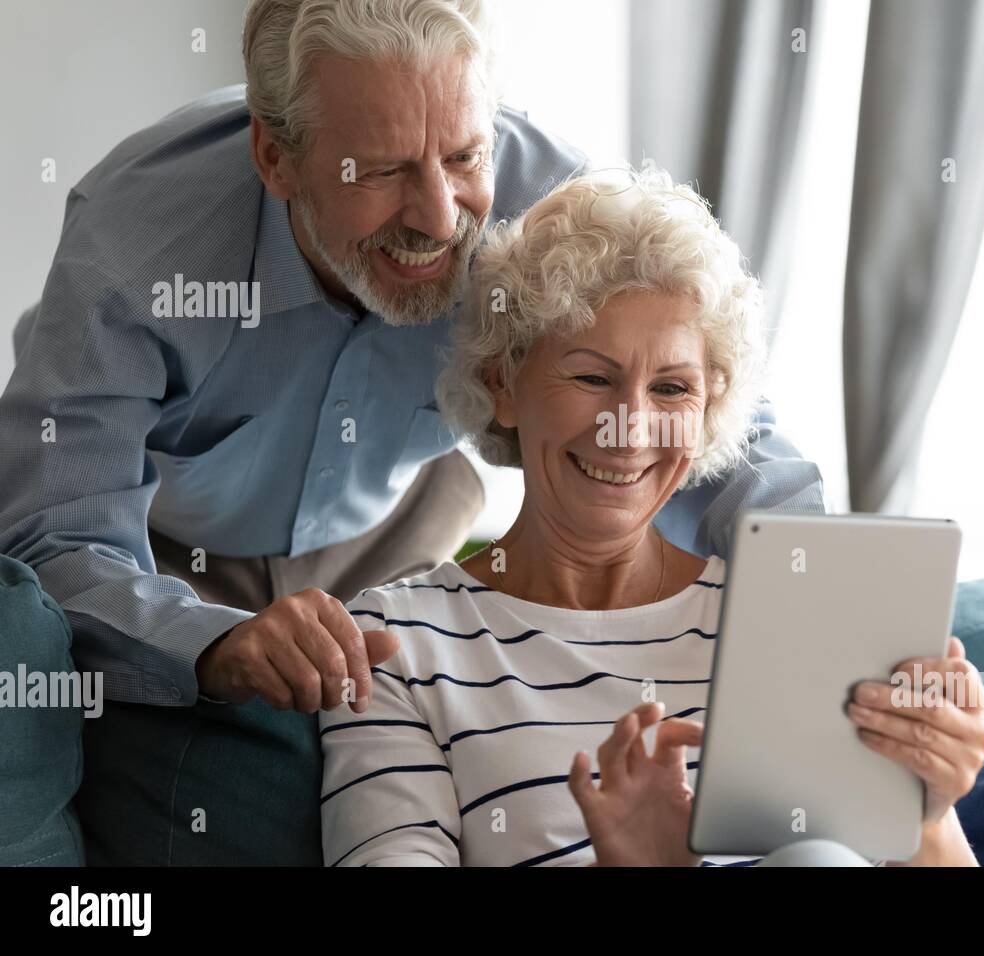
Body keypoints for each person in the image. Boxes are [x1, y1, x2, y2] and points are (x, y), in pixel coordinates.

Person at [0, 0, 821, 865]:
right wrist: (207, 642)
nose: (437, 217)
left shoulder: (547, 198)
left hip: (401, 514)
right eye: (382, 170)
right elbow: (54, 530)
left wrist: (834, 600)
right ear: (276, 157)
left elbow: (716, 423)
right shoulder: (136, 243)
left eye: (464, 155)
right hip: (177, 542)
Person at [318, 167, 984, 866]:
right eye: (591, 377)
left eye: (671, 388)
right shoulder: (396, 646)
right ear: (504, 384)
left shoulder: (784, 622)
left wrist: (926, 811)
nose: (631, 430)